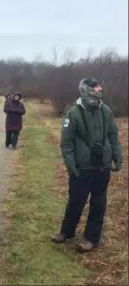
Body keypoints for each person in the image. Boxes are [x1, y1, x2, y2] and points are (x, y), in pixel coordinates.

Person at [52, 77, 123, 253]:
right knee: (76, 202)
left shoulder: (106, 111)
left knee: (98, 203)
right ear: (86, 90)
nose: (99, 89)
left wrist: (117, 157)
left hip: (102, 166)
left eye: (99, 86)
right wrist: (71, 165)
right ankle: (66, 232)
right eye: (95, 87)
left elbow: (113, 136)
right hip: (81, 168)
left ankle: (91, 238)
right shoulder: (73, 113)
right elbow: (66, 143)